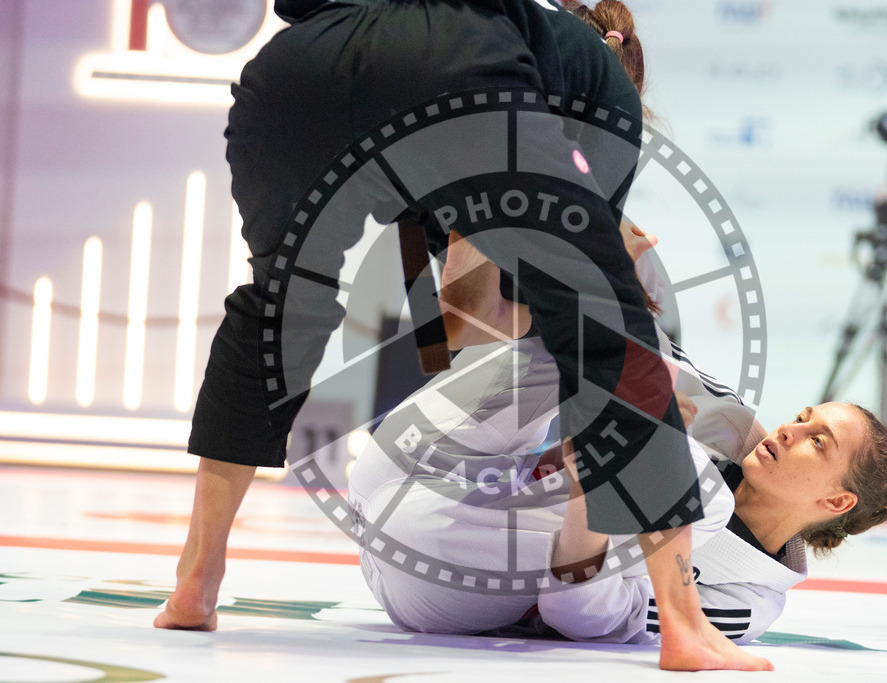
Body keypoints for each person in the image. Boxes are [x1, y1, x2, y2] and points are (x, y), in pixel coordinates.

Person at [156, 0, 770, 672]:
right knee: (610, 335)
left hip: (290, 73)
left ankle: (196, 578)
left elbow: (451, 304)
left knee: (277, 306)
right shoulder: (604, 95)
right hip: (448, 69)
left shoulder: (499, 54)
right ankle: (685, 626)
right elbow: (579, 327)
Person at [348, 221, 887, 646]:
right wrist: (612, 279)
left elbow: (583, 618)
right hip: (400, 472)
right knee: (590, 335)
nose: (791, 429)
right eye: (805, 417)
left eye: (817, 440)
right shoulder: (728, 427)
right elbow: (641, 345)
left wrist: (587, 490)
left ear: (835, 499)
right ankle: (481, 205)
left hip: (436, 569)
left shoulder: (744, 603)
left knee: (692, 488)